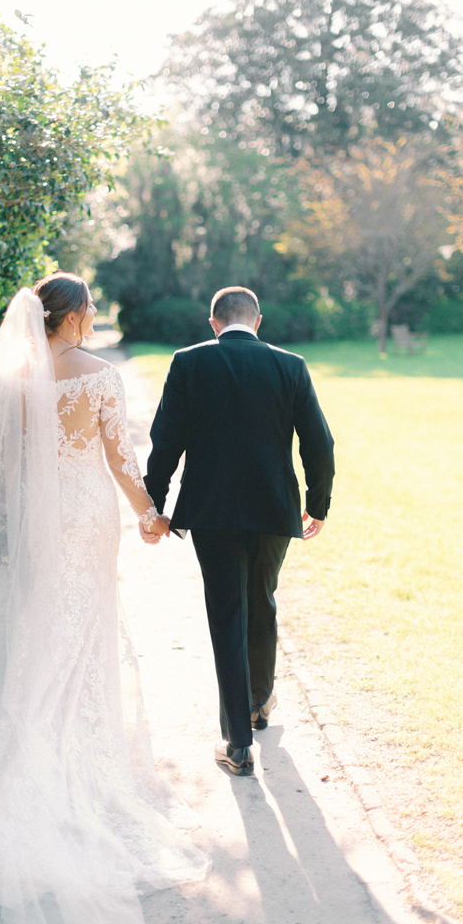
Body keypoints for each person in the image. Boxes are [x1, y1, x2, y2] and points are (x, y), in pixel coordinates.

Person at [0, 274, 208, 924]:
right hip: (82, 519)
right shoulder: (98, 375)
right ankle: (70, 768)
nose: (96, 314)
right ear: (73, 315)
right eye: (92, 308)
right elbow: (119, 457)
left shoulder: (14, 380)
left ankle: (25, 757)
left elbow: (5, 465)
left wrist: (18, 523)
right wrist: (149, 515)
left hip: (36, 522)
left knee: (38, 631)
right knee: (81, 635)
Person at [142, 286, 335, 777]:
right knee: (262, 600)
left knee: (228, 614)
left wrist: (154, 505)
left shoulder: (188, 363)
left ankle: (238, 744)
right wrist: (318, 506)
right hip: (275, 510)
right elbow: (321, 444)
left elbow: (166, 441)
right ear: (258, 321)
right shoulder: (290, 365)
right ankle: (258, 702)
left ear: (213, 322)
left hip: (211, 512)